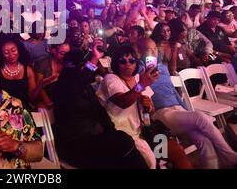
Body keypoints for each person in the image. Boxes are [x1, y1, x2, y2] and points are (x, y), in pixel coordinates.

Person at [136, 37, 237, 169]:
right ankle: (229, 155)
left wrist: (185, 110)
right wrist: (143, 72)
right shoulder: (139, 69)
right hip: (161, 114)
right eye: (149, 49)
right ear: (140, 52)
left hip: (178, 110)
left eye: (155, 48)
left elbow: (173, 91)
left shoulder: (163, 67)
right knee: (201, 117)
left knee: (203, 140)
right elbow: (136, 89)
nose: (153, 51)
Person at [53, 40, 148, 169]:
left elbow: (101, 113)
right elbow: (78, 83)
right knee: (123, 143)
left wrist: (112, 132)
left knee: (123, 143)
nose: (88, 69)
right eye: (83, 66)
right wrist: (94, 59)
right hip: (74, 144)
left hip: (96, 138)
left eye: (132, 61)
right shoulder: (63, 87)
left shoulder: (86, 88)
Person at [96, 45, 160, 168]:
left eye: (131, 60)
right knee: (151, 163)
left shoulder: (138, 78)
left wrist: (149, 107)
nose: (127, 64)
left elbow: (151, 111)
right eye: (122, 61)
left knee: (171, 151)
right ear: (116, 63)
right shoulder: (111, 79)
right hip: (124, 135)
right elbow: (123, 102)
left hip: (145, 131)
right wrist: (142, 85)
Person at [0, 35, 38, 109]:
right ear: (1, 54)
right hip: (2, 110)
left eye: (13, 50)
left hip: (23, 109)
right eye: (6, 52)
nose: (11, 55)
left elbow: (32, 98)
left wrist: (41, 85)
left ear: (19, 50)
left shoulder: (28, 70)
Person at [33, 42, 70, 109]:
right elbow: (39, 86)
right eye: (62, 53)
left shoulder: (68, 63)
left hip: (61, 99)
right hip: (45, 98)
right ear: (53, 51)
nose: (66, 56)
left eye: (68, 54)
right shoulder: (43, 63)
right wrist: (48, 102)